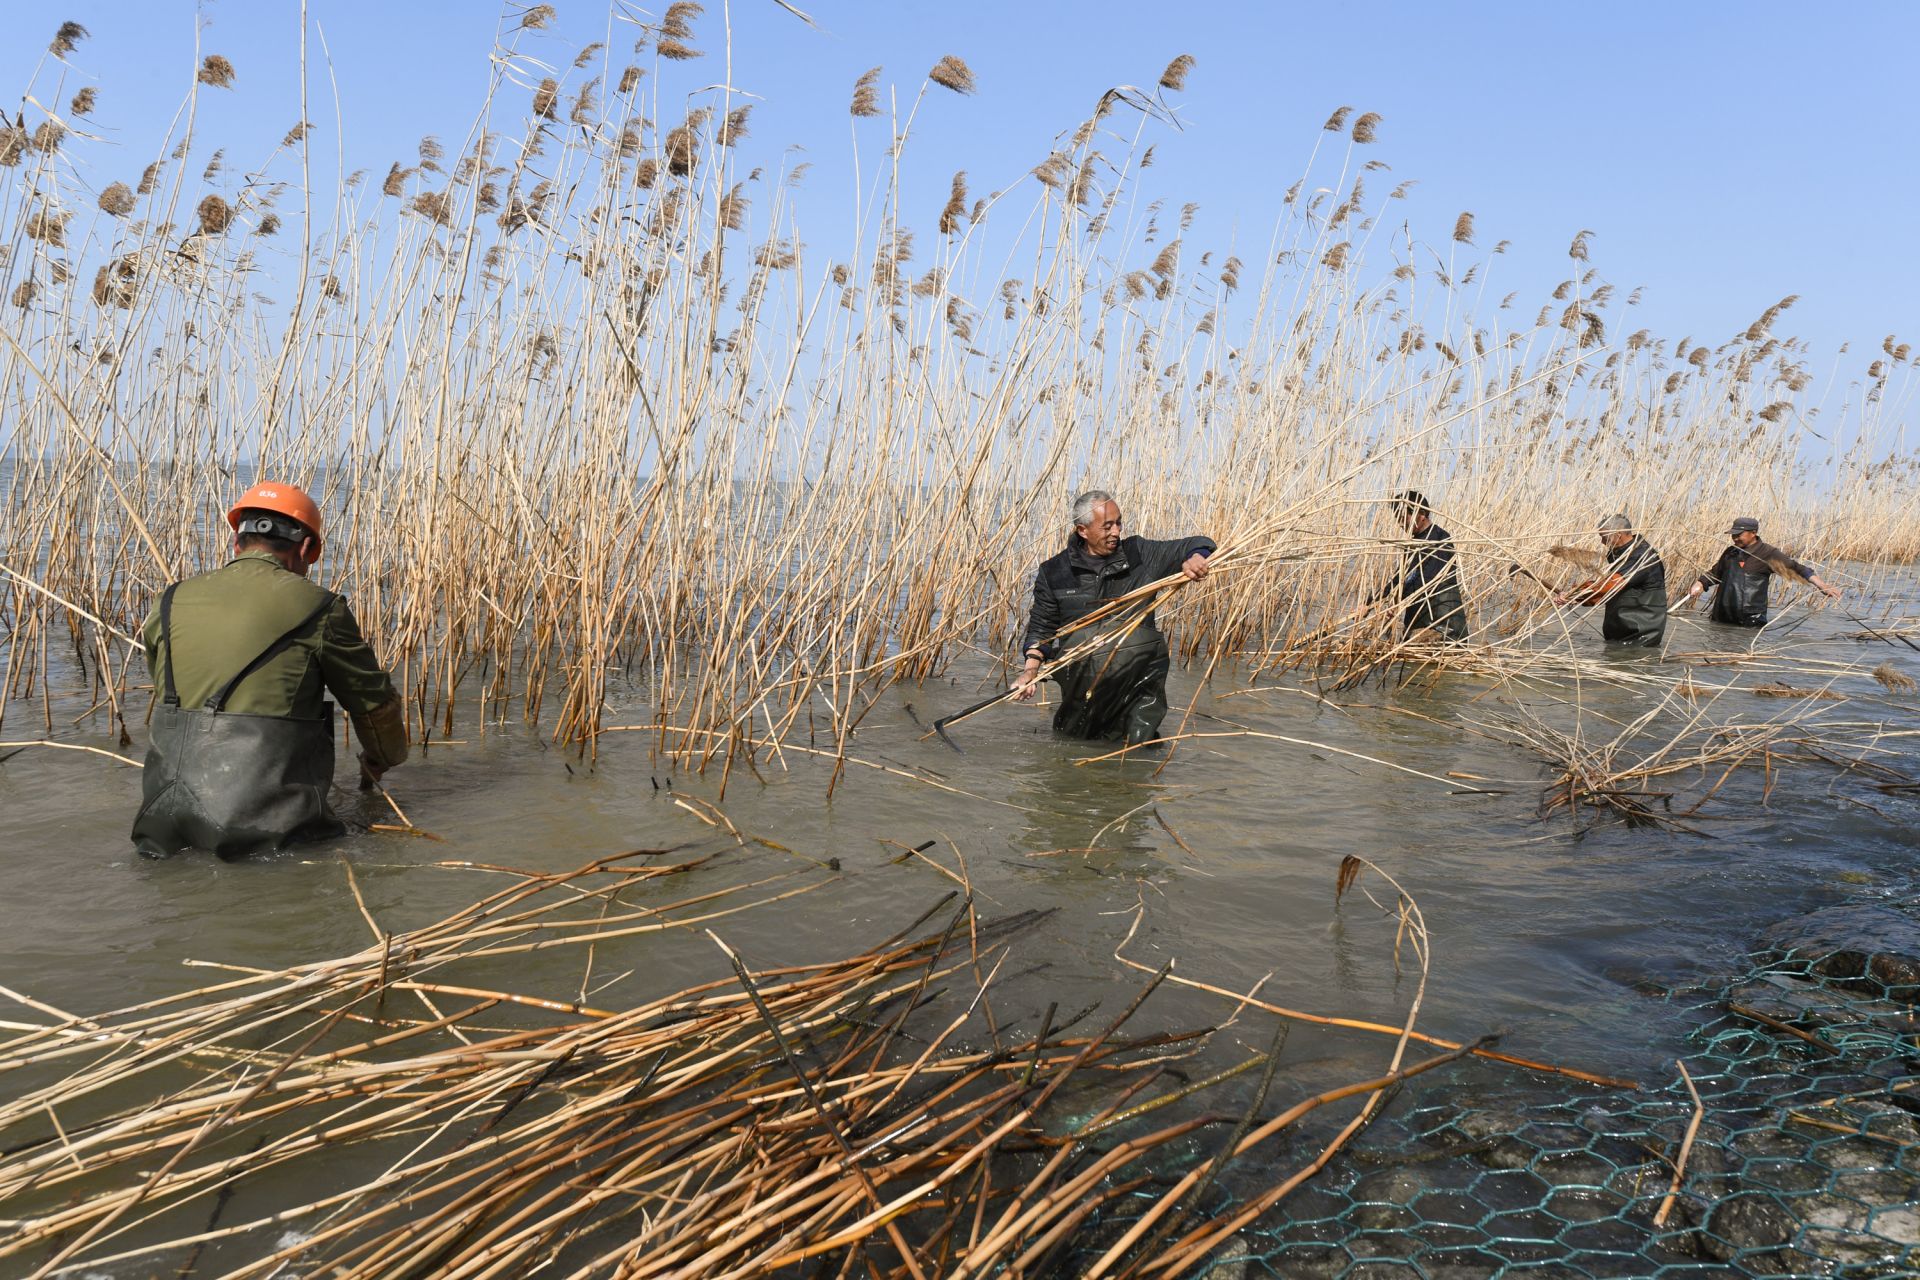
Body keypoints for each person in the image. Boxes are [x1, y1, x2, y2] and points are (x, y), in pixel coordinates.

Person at [131, 482, 409, 860]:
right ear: (309, 549)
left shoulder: (169, 599)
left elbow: (163, 685)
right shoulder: (320, 608)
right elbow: (372, 705)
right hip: (263, 829)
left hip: (161, 817)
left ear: (237, 542)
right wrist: (384, 758)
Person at [1011, 490, 1214, 746]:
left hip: (1139, 682)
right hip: (1083, 685)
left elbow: (1199, 542)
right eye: (1107, 526)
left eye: (1119, 522)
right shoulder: (1055, 571)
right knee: (1073, 748)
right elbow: (1042, 627)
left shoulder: (1140, 554)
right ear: (1082, 530)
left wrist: (1197, 558)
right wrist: (1030, 671)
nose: (1116, 532)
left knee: (1138, 754)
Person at [1684, 516, 1841, 627]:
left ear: (1753, 533)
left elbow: (1797, 569)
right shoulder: (1731, 552)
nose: (1735, 539)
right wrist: (1700, 583)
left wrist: (1822, 585)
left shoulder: (1768, 553)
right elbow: (1715, 573)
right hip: (1722, 616)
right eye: (1733, 535)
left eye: (1739, 535)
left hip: (1749, 620)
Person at [1363, 489, 1468, 640]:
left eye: (1402, 517)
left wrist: (1396, 600)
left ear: (1422, 514)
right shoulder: (1413, 543)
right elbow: (1400, 578)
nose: (1399, 523)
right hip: (1420, 622)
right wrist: (1370, 603)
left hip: (1444, 627)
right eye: (1397, 518)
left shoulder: (1439, 539)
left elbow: (1425, 579)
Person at [1554, 513, 1667, 647]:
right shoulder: (1618, 554)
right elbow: (1607, 593)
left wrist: (1576, 593)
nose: (1602, 542)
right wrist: (1575, 597)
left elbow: (1611, 584)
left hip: (1640, 636)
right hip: (1621, 632)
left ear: (1618, 534)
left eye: (1604, 537)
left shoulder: (1642, 555)